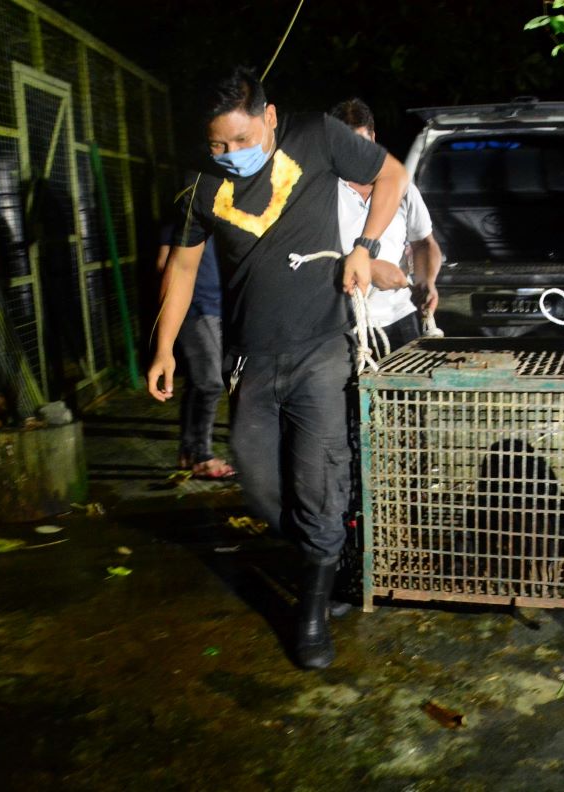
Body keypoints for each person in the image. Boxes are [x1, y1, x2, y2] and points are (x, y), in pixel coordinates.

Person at [148, 65, 408, 670]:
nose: (229, 154)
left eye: (240, 140)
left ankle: (312, 612)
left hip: (322, 347)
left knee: (317, 478)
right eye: (218, 144)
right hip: (252, 358)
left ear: (268, 117)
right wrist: (163, 349)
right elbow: (182, 270)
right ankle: (330, 553)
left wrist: (365, 249)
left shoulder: (315, 135)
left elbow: (391, 174)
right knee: (262, 485)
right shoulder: (198, 184)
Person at [330, 98, 442, 355]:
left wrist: (426, 282)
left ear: (373, 139)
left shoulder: (400, 187)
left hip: (399, 318)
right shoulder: (323, 191)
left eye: (362, 144)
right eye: (347, 146)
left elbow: (424, 242)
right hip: (340, 326)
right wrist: (366, 267)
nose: (356, 155)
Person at [155, 226, 235, 479]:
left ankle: (189, 452)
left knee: (199, 382)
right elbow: (163, 263)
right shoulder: (186, 212)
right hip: (197, 307)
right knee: (210, 383)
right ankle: (202, 456)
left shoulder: (225, 212)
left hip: (220, 306)